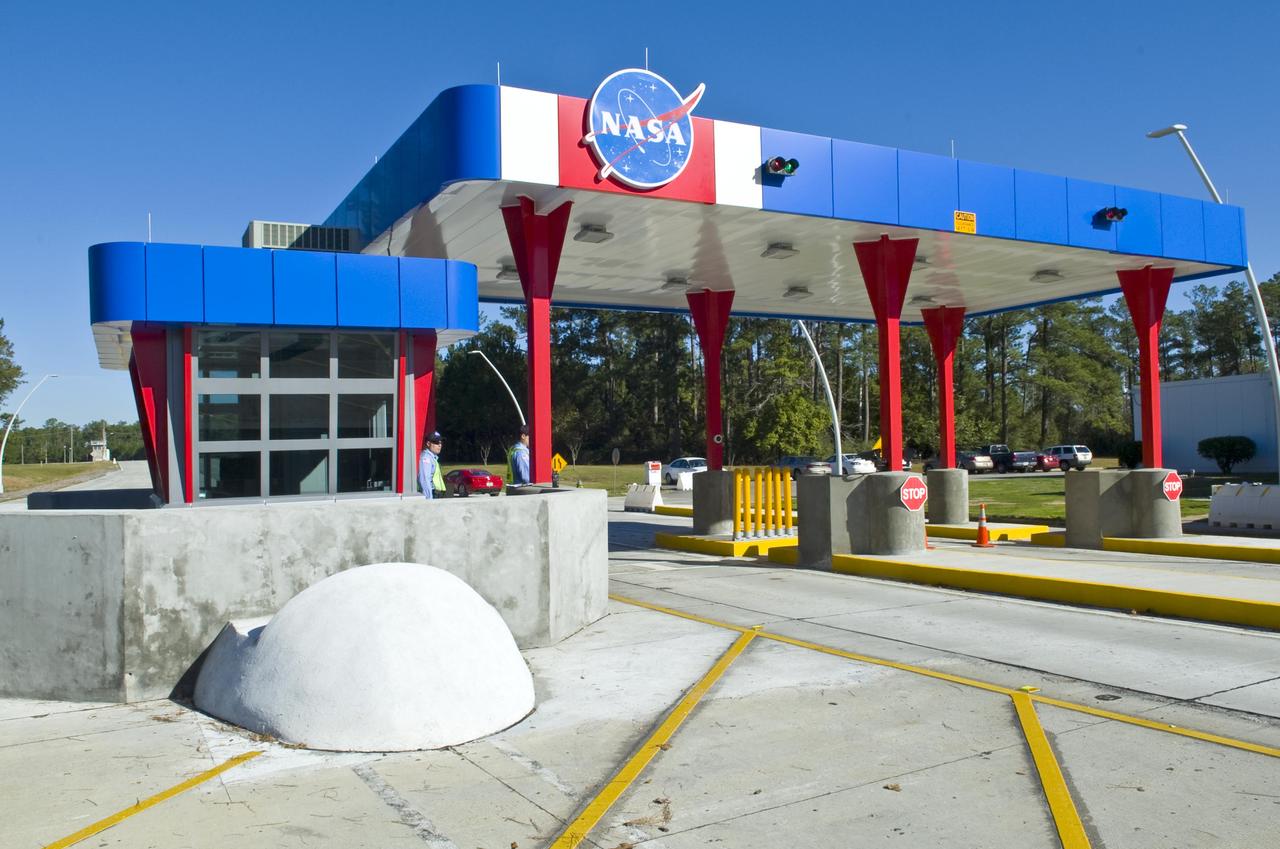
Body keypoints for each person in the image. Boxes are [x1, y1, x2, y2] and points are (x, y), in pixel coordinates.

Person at [418, 431, 445, 499]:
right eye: (436, 442)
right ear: (428, 443)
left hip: (437, 496)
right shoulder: (426, 458)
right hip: (431, 496)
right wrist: (429, 500)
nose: (440, 445)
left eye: (440, 442)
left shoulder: (433, 458)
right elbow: (424, 480)